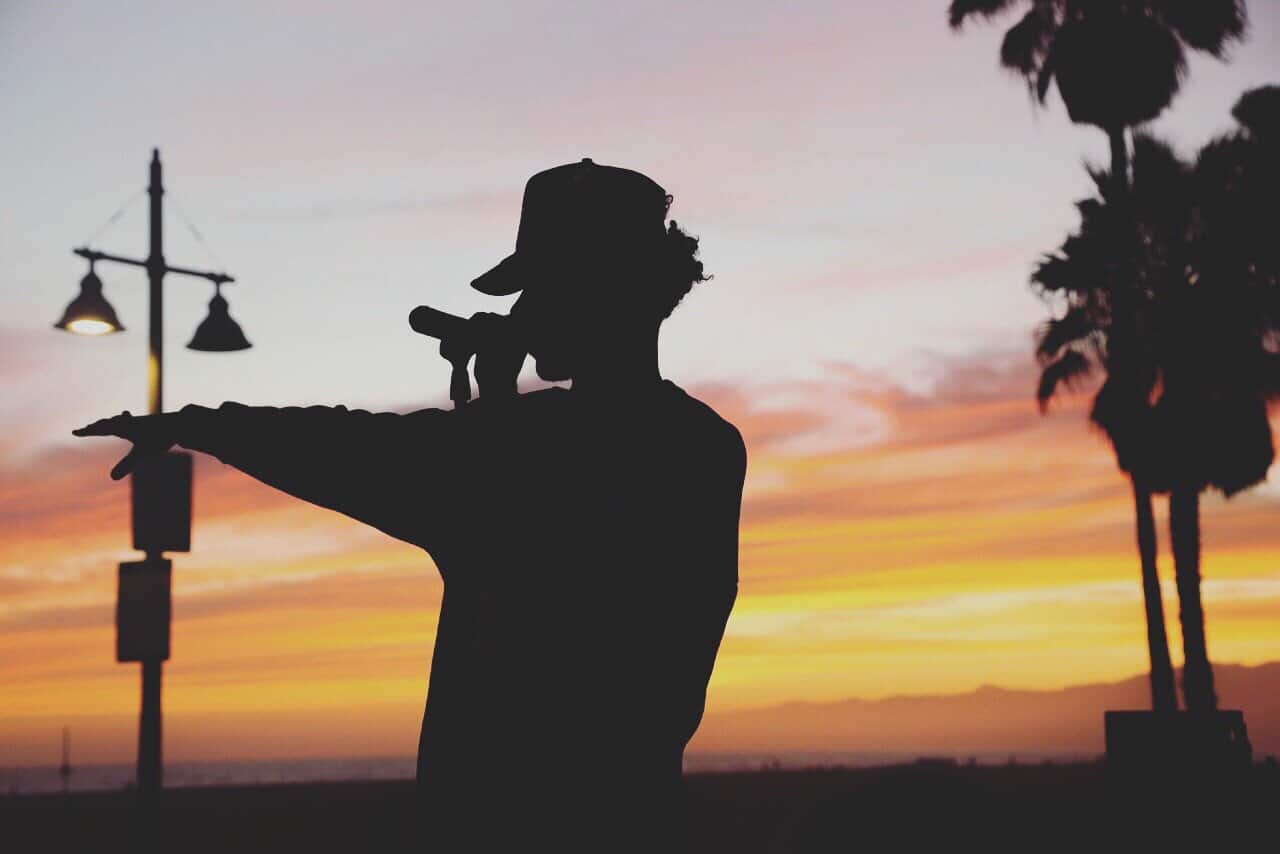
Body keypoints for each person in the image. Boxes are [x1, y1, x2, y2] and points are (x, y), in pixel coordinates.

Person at [75, 158, 747, 851]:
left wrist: (192, 423)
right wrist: (496, 411)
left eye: (537, 288)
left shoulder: (523, 448)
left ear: (593, 290)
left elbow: (361, 453)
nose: (519, 312)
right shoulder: (708, 449)